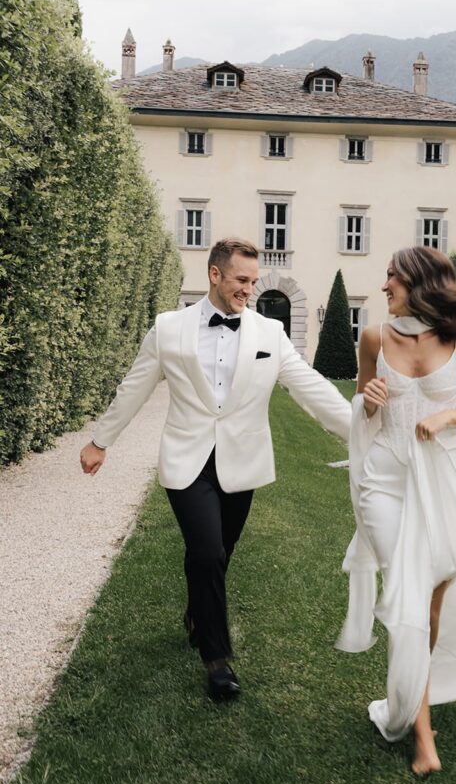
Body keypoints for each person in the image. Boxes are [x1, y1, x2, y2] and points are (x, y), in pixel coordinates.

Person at [80, 237, 351, 700]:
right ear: (215, 275)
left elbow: (310, 387)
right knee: (206, 553)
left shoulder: (269, 333)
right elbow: (135, 386)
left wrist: (362, 432)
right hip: (188, 461)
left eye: (253, 280)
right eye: (242, 280)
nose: (250, 288)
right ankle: (218, 662)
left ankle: (196, 613)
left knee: (217, 554)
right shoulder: (168, 329)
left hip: (241, 463)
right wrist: (100, 440)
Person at [336, 246, 456, 776]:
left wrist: (449, 415)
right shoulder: (374, 338)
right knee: (407, 588)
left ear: (419, 283)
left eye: (391, 278)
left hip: (440, 482)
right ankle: (421, 733)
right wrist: (370, 402)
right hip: (384, 481)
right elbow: (362, 407)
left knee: (429, 604)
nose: (383, 288)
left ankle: (411, 694)